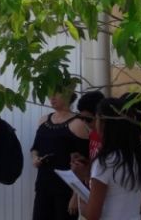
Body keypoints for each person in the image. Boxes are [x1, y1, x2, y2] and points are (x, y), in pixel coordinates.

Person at [73, 97, 141, 220]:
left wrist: (81, 202)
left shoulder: (104, 163)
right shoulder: (140, 159)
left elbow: (92, 215)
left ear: (104, 124)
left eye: (96, 119)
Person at [30, 85, 90, 220]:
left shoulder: (78, 124)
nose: (52, 97)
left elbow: (85, 163)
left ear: (68, 94)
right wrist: (35, 159)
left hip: (65, 190)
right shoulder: (44, 120)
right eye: (50, 93)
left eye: (56, 93)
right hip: (43, 185)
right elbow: (35, 148)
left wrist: (75, 196)